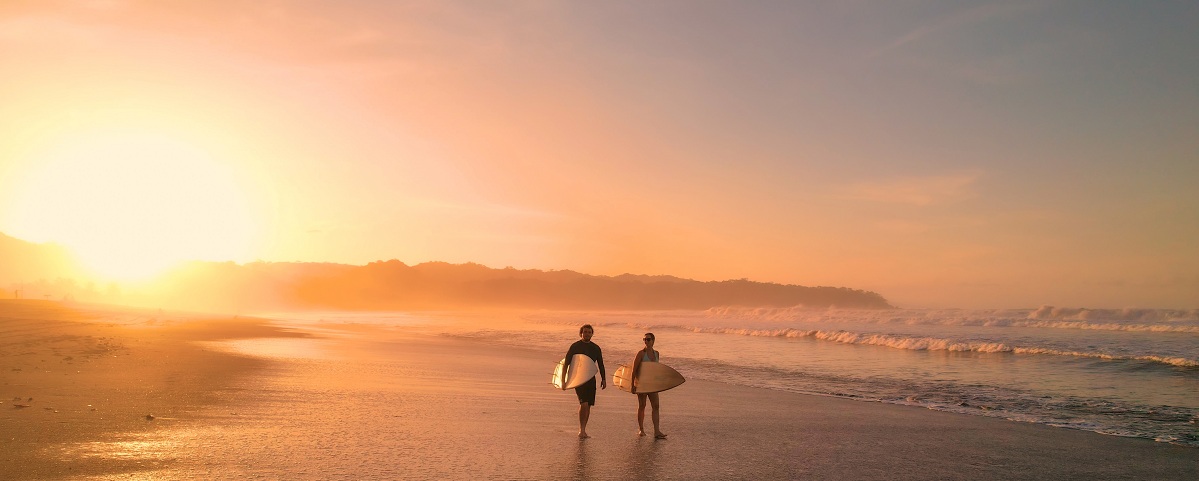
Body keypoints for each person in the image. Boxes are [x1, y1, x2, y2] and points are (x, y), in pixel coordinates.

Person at [564, 324, 606, 438]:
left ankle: (584, 429)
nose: (587, 334)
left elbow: (601, 364)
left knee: (589, 405)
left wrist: (604, 379)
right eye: (585, 332)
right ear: (581, 333)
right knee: (584, 403)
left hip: (591, 378)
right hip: (578, 378)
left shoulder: (596, 348)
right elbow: (566, 363)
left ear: (592, 334)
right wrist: (564, 379)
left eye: (589, 332)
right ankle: (581, 430)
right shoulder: (575, 346)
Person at [631, 332, 667, 439]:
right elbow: (634, 370)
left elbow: (656, 369)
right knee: (642, 406)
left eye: (648, 339)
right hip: (642, 384)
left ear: (653, 341)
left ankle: (656, 431)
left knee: (656, 406)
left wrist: (660, 382)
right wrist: (632, 384)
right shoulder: (641, 354)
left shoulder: (657, 354)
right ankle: (641, 429)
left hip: (653, 384)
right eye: (644, 339)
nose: (646, 341)